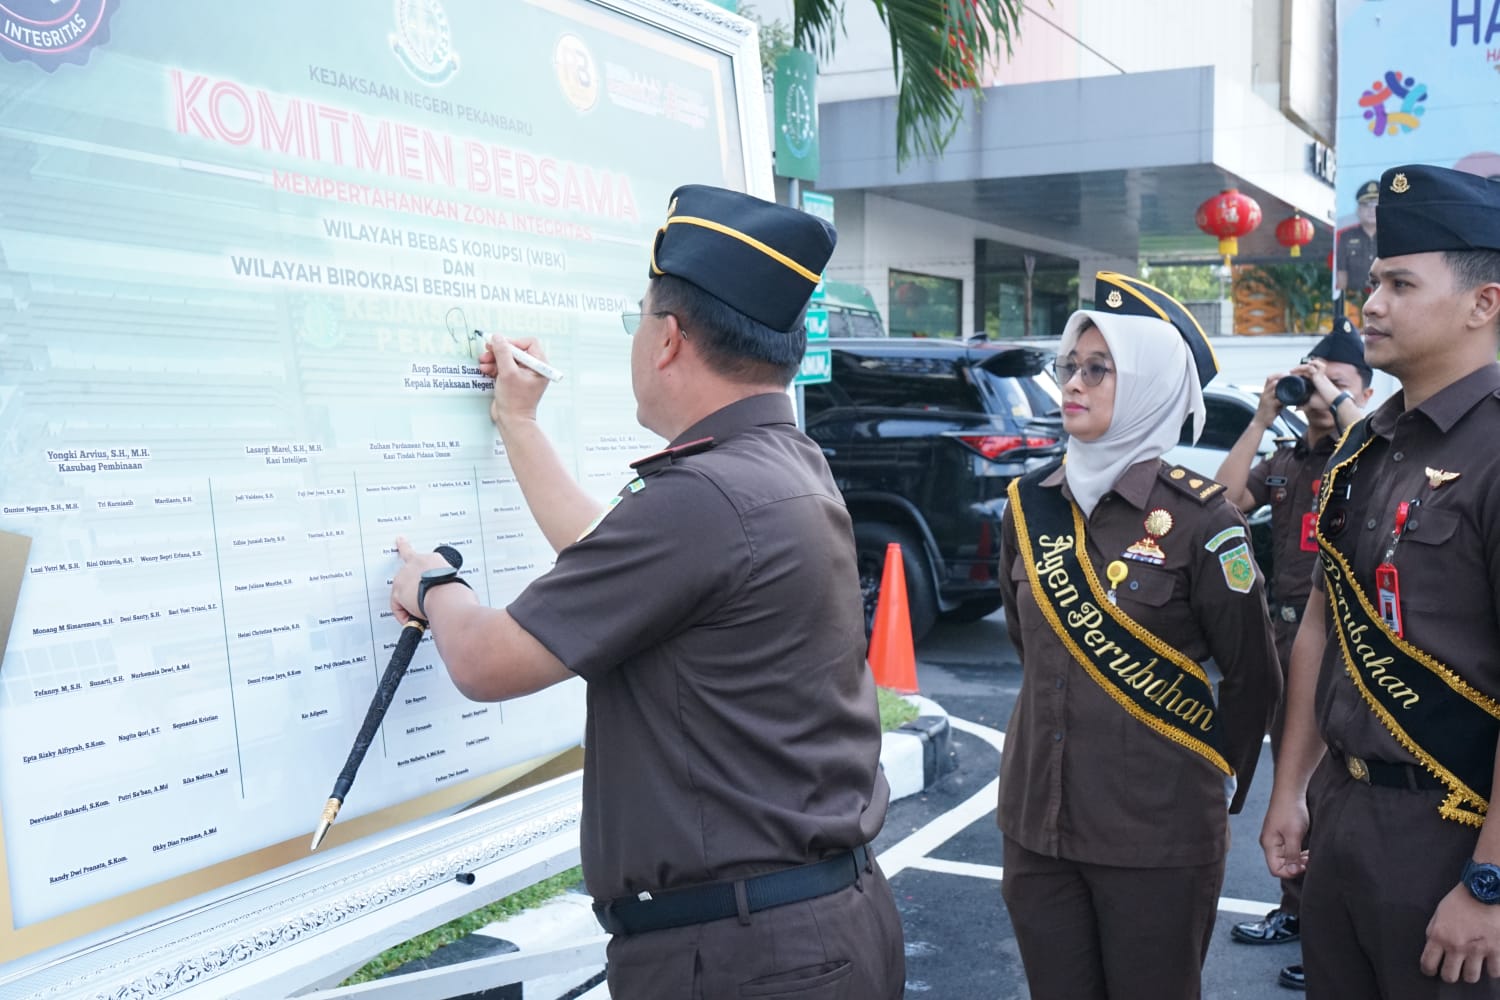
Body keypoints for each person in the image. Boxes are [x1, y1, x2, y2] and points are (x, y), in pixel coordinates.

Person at [389, 184, 905, 999]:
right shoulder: (778, 464)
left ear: (667, 340)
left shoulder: (705, 496)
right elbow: (613, 556)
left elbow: (488, 663)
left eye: (639, 322)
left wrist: (433, 586)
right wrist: (519, 424)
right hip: (809, 930)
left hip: (743, 961)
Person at [996, 271, 1282, 1000]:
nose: (1075, 383)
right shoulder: (1029, 505)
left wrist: (1208, 781)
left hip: (1156, 836)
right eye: (1070, 367)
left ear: (1152, 382)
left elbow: (1253, 677)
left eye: (1101, 369)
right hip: (1036, 826)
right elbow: (1034, 650)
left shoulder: (1205, 522)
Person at [1260, 163, 1500, 997]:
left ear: (1483, 303)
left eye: (1400, 283)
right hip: (1344, 816)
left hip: (1454, 829)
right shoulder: (1368, 446)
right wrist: (1289, 787)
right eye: (1373, 283)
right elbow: (1322, 626)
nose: (1372, 305)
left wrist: (1489, 882)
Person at [1215, 319, 1374, 991]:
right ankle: (1296, 911)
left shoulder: (1369, 456)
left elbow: (1363, 434)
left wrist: (1332, 401)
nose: (1319, 394)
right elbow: (1222, 500)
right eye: (1311, 379)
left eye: (1339, 384)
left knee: (1332, 787)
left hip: (1346, 642)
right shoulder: (1285, 463)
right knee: (1292, 780)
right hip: (1283, 638)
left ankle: (1331, 936)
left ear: (1365, 392)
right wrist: (1261, 416)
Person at [1335, 179, 1380, 300]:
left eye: (1376, 205)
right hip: (1354, 301)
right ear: (1358, 210)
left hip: (1384, 299)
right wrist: (1342, 302)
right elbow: (1341, 273)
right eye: (1366, 205)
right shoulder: (1346, 237)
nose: (1371, 210)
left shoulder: (1391, 237)